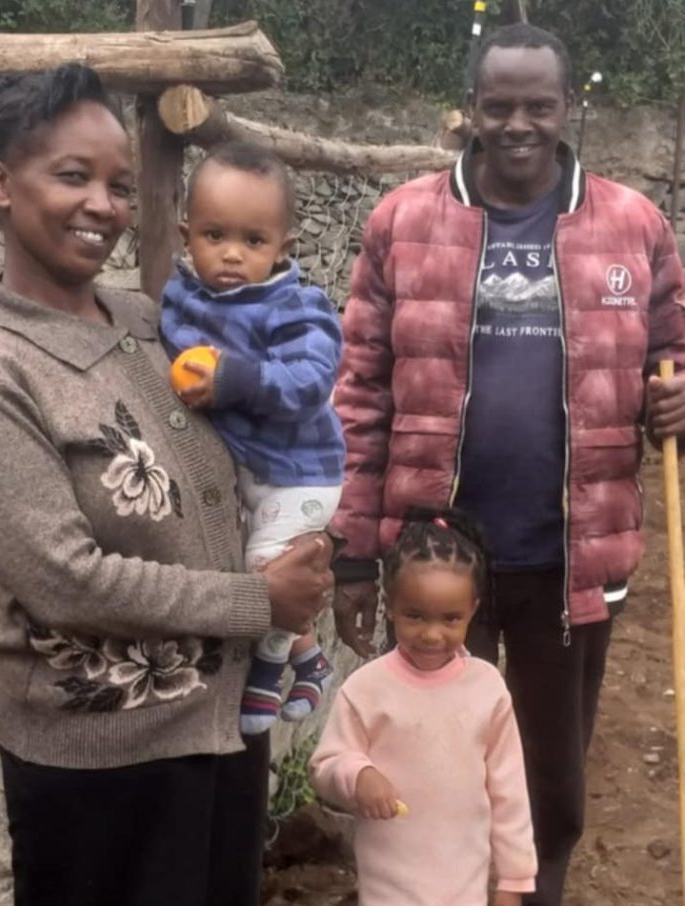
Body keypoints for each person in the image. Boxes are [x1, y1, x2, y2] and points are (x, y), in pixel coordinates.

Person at [0, 65, 333, 906]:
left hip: (217, 729)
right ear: (0, 182)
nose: (103, 206)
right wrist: (261, 603)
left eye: (117, 184)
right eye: (72, 176)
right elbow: (65, 580)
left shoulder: (148, 322)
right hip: (102, 759)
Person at [331, 22, 685, 906]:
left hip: (574, 556)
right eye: (500, 105)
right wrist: (349, 551)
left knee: (550, 769)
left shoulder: (635, 226)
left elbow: (673, 351)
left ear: (569, 108)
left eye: (539, 104)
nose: (519, 123)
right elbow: (361, 393)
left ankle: (534, 891)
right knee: (430, 754)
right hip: (433, 559)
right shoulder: (403, 222)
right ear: (470, 113)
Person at [160, 141, 345, 735]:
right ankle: (310, 660)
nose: (233, 255)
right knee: (245, 560)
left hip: (301, 473)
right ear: (186, 236)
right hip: (245, 471)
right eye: (215, 236)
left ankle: (267, 675)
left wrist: (235, 378)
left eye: (254, 241)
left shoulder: (296, 308)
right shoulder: (180, 299)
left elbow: (311, 383)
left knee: (270, 570)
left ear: (283, 247)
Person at [311, 509, 537, 905]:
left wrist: (514, 880)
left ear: (473, 609)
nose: (432, 635)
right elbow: (326, 765)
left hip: (464, 885)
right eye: (415, 616)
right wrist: (357, 774)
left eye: (451, 619)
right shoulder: (367, 689)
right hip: (389, 886)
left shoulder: (486, 689)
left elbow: (510, 792)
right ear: (390, 604)